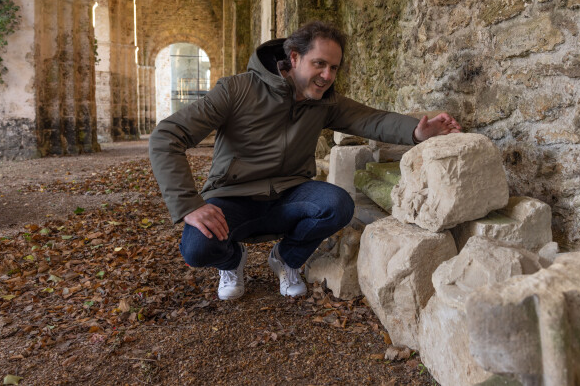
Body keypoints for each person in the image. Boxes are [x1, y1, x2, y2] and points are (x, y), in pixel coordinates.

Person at [149, 21, 461, 300]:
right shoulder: (236, 90)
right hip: (233, 198)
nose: (327, 76)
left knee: (337, 204)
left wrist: (418, 132)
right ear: (294, 58)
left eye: (334, 68)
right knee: (196, 248)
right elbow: (167, 137)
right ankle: (231, 262)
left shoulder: (324, 102)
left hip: (290, 196)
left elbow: (371, 120)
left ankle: (287, 259)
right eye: (319, 64)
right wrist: (189, 205)